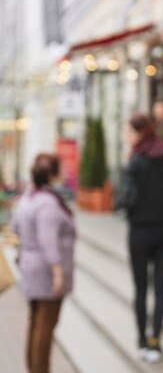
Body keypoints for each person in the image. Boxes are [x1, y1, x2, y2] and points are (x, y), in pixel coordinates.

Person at [116, 114, 163, 363]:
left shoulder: (135, 163)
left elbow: (123, 200)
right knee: (161, 286)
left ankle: (142, 342)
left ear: (140, 133)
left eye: (130, 132)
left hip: (140, 232)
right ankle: (156, 341)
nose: (128, 137)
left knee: (141, 287)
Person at [11, 153, 76, 373]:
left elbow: (15, 227)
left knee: (36, 322)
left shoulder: (29, 197)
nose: (64, 173)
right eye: (61, 169)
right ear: (52, 174)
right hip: (45, 273)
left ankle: (34, 368)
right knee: (44, 327)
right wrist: (58, 273)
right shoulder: (47, 203)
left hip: (32, 267)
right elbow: (48, 242)